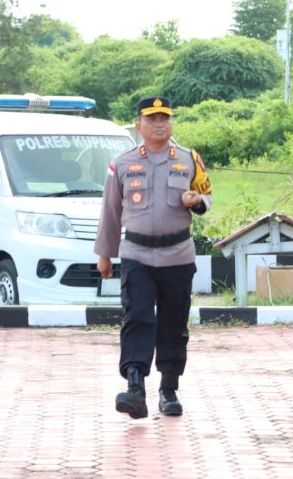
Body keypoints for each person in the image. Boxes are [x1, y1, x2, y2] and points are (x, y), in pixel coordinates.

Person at [94, 96, 212, 419]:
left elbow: (208, 196)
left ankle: (169, 388)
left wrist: (196, 200)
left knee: (174, 323)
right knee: (138, 317)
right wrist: (105, 254)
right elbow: (110, 212)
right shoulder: (122, 163)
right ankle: (135, 388)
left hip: (177, 255)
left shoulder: (189, 160)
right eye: (152, 119)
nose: (159, 124)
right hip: (137, 255)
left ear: (171, 122)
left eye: (165, 118)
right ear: (139, 125)